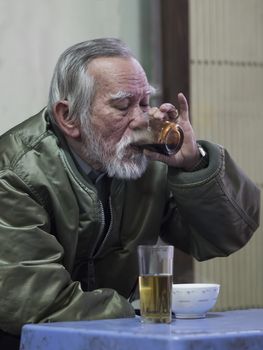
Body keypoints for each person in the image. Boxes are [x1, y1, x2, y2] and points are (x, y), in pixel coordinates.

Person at [0, 38, 260, 349]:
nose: (140, 120)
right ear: (68, 117)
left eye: (144, 103)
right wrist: (140, 312)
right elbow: (34, 303)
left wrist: (194, 165)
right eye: (123, 106)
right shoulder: (15, 174)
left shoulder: (145, 163)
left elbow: (227, 236)